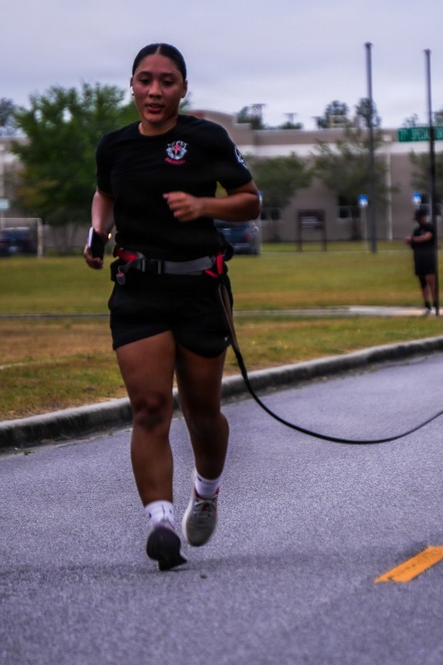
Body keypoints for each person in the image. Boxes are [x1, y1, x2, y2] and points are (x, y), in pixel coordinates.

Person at [84, 43, 261, 571]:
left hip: (199, 289)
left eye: (166, 81)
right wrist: (97, 232)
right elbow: (104, 194)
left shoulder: (206, 138)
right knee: (150, 407)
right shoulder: (114, 146)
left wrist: (203, 205)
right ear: (132, 85)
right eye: (145, 80)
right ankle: (160, 523)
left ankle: (205, 492)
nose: (155, 91)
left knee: (202, 416)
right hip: (138, 290)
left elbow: (250, 200)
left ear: (183, 88)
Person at [405, 207, 438, 314]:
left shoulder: (430, 227)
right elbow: (413, 244)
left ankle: (435, 301)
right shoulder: (416, 231)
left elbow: (427, 237)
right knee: (422, 280)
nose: (419, 220)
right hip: (419, 257)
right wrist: (410, 241)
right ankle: (426, 302)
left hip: (429, 256)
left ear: (424, 217)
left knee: (430, 278)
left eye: (420, 218)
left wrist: (413, 239)